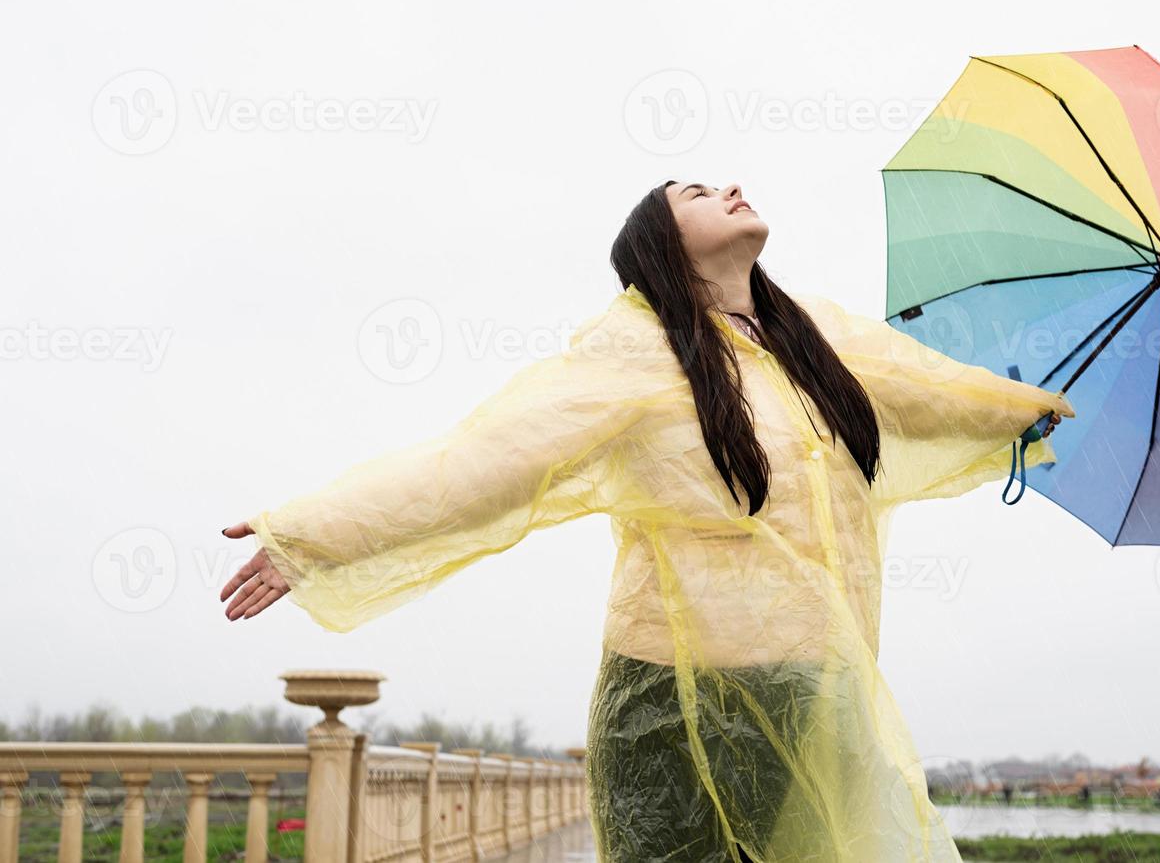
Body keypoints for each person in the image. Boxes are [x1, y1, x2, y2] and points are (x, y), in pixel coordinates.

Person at [219, 180, 1073, 862]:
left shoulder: (814, 340)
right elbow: (485, 463)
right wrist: (313, 537)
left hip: (813, 688)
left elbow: (927, 388)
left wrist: (1015, 411)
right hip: (674, 697)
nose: (731, 188)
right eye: (696, 193)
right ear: (659, 244)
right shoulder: (638, 352)